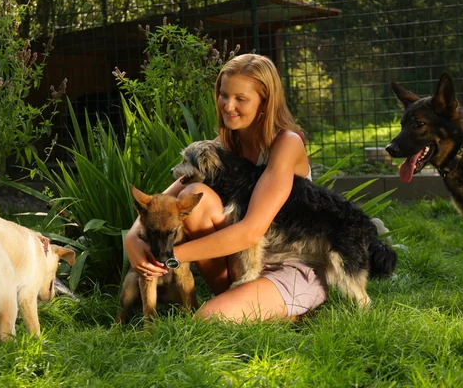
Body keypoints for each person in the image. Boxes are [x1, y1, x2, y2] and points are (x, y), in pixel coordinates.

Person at [123, 53, 327, 321]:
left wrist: (168, 257)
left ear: (265, 103)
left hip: (291, 265)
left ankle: (288, 306)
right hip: (244, 264)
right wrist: (132, 239)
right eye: (224, 95)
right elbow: (166, 200)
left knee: (207, 319)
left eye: (241, 99)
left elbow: (250, 232)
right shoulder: (226, 142)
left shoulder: (286, 144)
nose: (228, 106)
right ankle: (237, 301)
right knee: (193, 197)